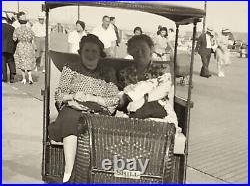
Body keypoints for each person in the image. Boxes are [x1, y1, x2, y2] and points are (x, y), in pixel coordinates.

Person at [48, 34, 119, 183]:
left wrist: (93, 99)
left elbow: (114, 99)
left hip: (99, 110)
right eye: (87, 50)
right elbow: (60, 93)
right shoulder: (70, 67)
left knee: (96, 123)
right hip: (73, 107)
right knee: (70, 118)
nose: (90, 54)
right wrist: (72, 97)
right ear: (80, 52)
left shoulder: (109, 72)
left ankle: (95, 175)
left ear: (100, 54)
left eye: (94, 51)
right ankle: (68, 172)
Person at [117, 34, 177, 125]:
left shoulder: (162, 69)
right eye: (135, 49)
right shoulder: (124, 73)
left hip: (159, 115)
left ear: (151, 49)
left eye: (143, 48)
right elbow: (121, 99)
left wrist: (143, 100)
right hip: (133, 115)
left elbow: (164, 89)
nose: (139, 52)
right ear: (130, 52)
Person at [13, 12, 36, 84]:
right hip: (29, 46)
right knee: (29, 61)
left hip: (21, 46)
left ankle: (24, 79)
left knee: (22, 62)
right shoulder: (30, 29)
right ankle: (30, 77)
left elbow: (14, 39)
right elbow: (33, 38)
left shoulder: (17, 29)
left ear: (19, 22)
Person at [2, 12, 17, 83]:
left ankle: (4, 78)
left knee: (2, 62)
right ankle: (12, 77)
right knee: (11, 61)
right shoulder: (12, 28)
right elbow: (15, 39)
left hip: (2, 48)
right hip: (11, 48)